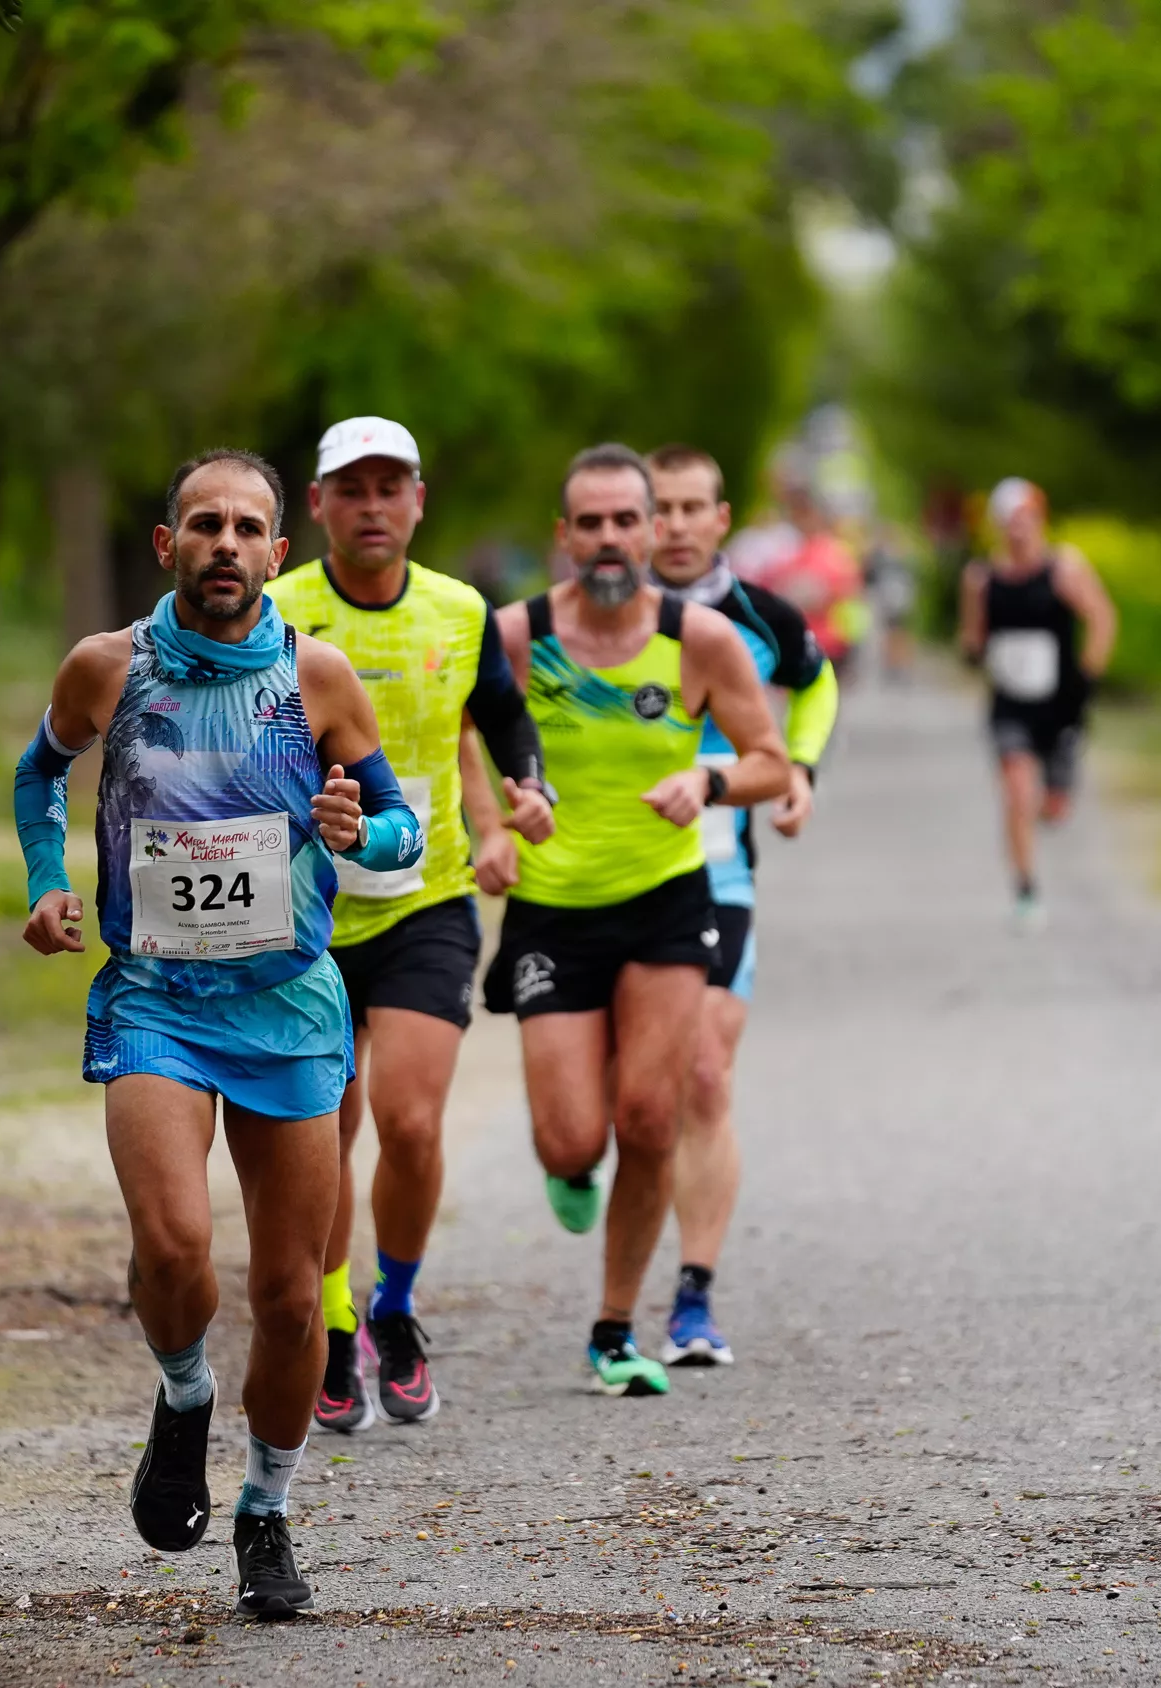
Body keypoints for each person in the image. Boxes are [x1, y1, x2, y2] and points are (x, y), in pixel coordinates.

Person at [12, 448, 422, 1620]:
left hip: (287, 1007)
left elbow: (401, 829)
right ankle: (184, 1391)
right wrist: (47, 882)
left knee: (293, 1296)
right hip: (156, 1000)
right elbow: (38, 776)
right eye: (206, 525)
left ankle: (268, 1508)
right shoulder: (110, 666)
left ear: (279, 554)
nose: (227, 544)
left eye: (249, 527)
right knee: (175, 1243)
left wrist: (362, 832)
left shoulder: (317, 674)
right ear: (168, 545)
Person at [265, 418, 554, 1436]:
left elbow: (506, 714)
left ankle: (397, 1305)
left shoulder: (461, 609)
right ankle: (336, 1325)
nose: (373, 505)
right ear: (318, 507)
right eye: (353, 489)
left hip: (426, 897)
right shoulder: (277, 609)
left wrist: (527, 785)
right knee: (324, 1128)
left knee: (414, 1118)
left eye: (392, 487)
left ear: (419, 502)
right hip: (304, 908)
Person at [486, 444, 790, 1398]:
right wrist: (495, 817)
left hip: (665, 903)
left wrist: (707, 779)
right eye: (592, 523)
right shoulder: (515, 636)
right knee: (572, 1140)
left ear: (656, 532)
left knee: (654, 1117)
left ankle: (615, 1328)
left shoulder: (702, 639)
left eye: (628, 521)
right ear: (564, 537)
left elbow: (770, 761)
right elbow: (458, 733)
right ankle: (572, 1168)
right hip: (550, 909)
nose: (610, 539)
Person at [642, 445, 839, 1369]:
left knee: (707, 1075)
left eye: (692, 508)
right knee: (622, 1096)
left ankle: (693, 1296)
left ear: (722, 519)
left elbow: (818, 680)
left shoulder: (762, 618)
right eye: (661, 508)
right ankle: (577, 1161)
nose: (675, 525)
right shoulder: (588, 621)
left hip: (719, 867)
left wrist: (797, 768)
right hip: (602, 877)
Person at [958, 477, 1118, 929]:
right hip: (1010, 704)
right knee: (1016, 792)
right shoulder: (981, 579)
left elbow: (1102, 618)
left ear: (1040, 520)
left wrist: (1089, 675)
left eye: (1026, 521)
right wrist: (972, 652)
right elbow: (973, 636)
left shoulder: (1064, 569)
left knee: (1052, 806)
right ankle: (1026, 889)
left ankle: (1058, 788)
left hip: (1061, 704)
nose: (1019, 531)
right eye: (1010, 523)